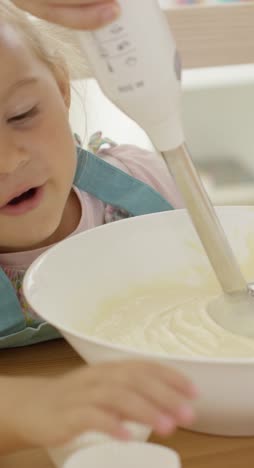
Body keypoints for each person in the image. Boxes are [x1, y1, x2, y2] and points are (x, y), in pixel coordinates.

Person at [0, 0, 197, 454]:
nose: (8, 160)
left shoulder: (145, 185)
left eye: (22, 113)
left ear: (62, 89)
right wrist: (25, 408)